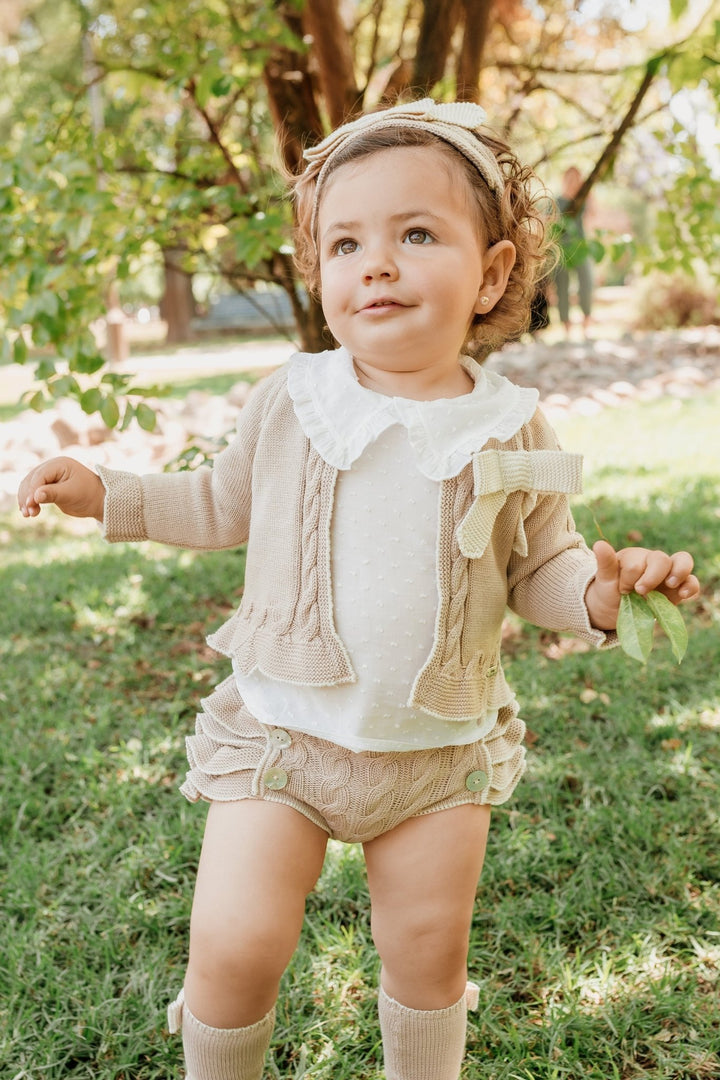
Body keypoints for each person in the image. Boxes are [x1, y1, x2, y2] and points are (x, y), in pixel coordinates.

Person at [17, 99, 699, 1080]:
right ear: (320, 271)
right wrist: (108, 494)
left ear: (493, 272)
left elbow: (539, 566)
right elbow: (217, 503)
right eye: (346, 243)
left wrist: (601, 590)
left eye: (416, 234)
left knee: (427, 956)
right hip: (283, 740)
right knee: (235, 948)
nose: (375, 263)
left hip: (436, 755)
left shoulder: (514, 428)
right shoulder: (294, 401)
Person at [553, 165, 594, 337]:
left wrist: (589, 196)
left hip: (580, 247)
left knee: (586, 283)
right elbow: (551, 224)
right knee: (562, 286)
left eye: (576, 178)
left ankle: (586, 322)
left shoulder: (583, 201)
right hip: (562, 249)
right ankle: (567, 327)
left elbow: (594, 216)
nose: (573, 182)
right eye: (569, 178)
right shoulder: (557, 201)